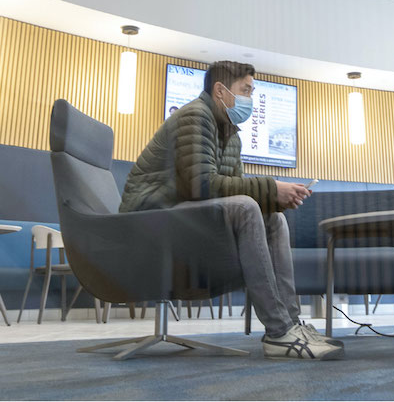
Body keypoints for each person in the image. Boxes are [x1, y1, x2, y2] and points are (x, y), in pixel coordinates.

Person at [120, 60, 343, 361]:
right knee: (247, 207)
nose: (250, 99)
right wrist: (270, 188)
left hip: (180, 214)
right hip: (150, 218)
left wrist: (276, 198)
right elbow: (201, 186)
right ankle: (279, 333)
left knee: (273, 217)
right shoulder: (195, 117)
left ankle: (290, 324)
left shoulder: (232, 136)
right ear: (221, 90)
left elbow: (231, 187)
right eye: (246, 90)